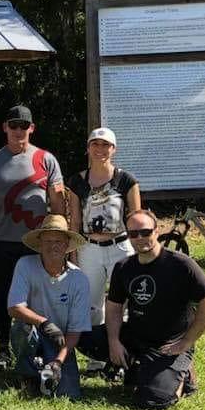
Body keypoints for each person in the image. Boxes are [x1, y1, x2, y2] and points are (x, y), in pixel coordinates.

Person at [78, 210, 205, 410]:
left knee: (154, 401)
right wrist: (113, 342)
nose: (139, 238)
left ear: (156, 231)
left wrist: (186, 342)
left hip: (168, 344)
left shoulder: (180, 264)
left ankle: (183, 372)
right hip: (136, 337)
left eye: (145, 232)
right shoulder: (124, 266)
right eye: (133, 234)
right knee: (83, 339)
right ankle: (140, 366)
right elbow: (113, 308)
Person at [0, 105, 65, 368]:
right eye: (13, 125)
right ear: (5, 127)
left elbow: (59, 204)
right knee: (2, 297)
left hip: (37, 243)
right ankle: (4, 349)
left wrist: (61, 240)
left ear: (32, 128)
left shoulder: (45, 159)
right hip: (2, 242)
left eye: (24, 126)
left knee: (40, 295)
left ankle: (42, 347)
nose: (19, 131)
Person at [67, 127, 140, 372]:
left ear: (113, 149)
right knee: (92, 303)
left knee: (126, 303)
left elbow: (136, 218)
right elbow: (74, 221)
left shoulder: (126, 180)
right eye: (95, 144)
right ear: (88, 148)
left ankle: (124, 355)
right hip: (90, 247)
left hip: (120, 245)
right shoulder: (77, 181)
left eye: (105, 145)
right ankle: (96, 357)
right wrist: (74, 253)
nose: (100, 149)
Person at [7, 215, 90, 399]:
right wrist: (44, 323)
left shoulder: (79, 279)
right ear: (40, 243)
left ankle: (47, 371)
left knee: (69, 394)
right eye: (48, 241)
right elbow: (14, 307)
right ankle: (28, 375)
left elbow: (76, 331)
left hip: (62, 340)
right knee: (22, 327)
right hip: (34, 332)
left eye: (58, 241)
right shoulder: (25, 265)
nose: (53, 246)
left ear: (67, 245)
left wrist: (59, 361)